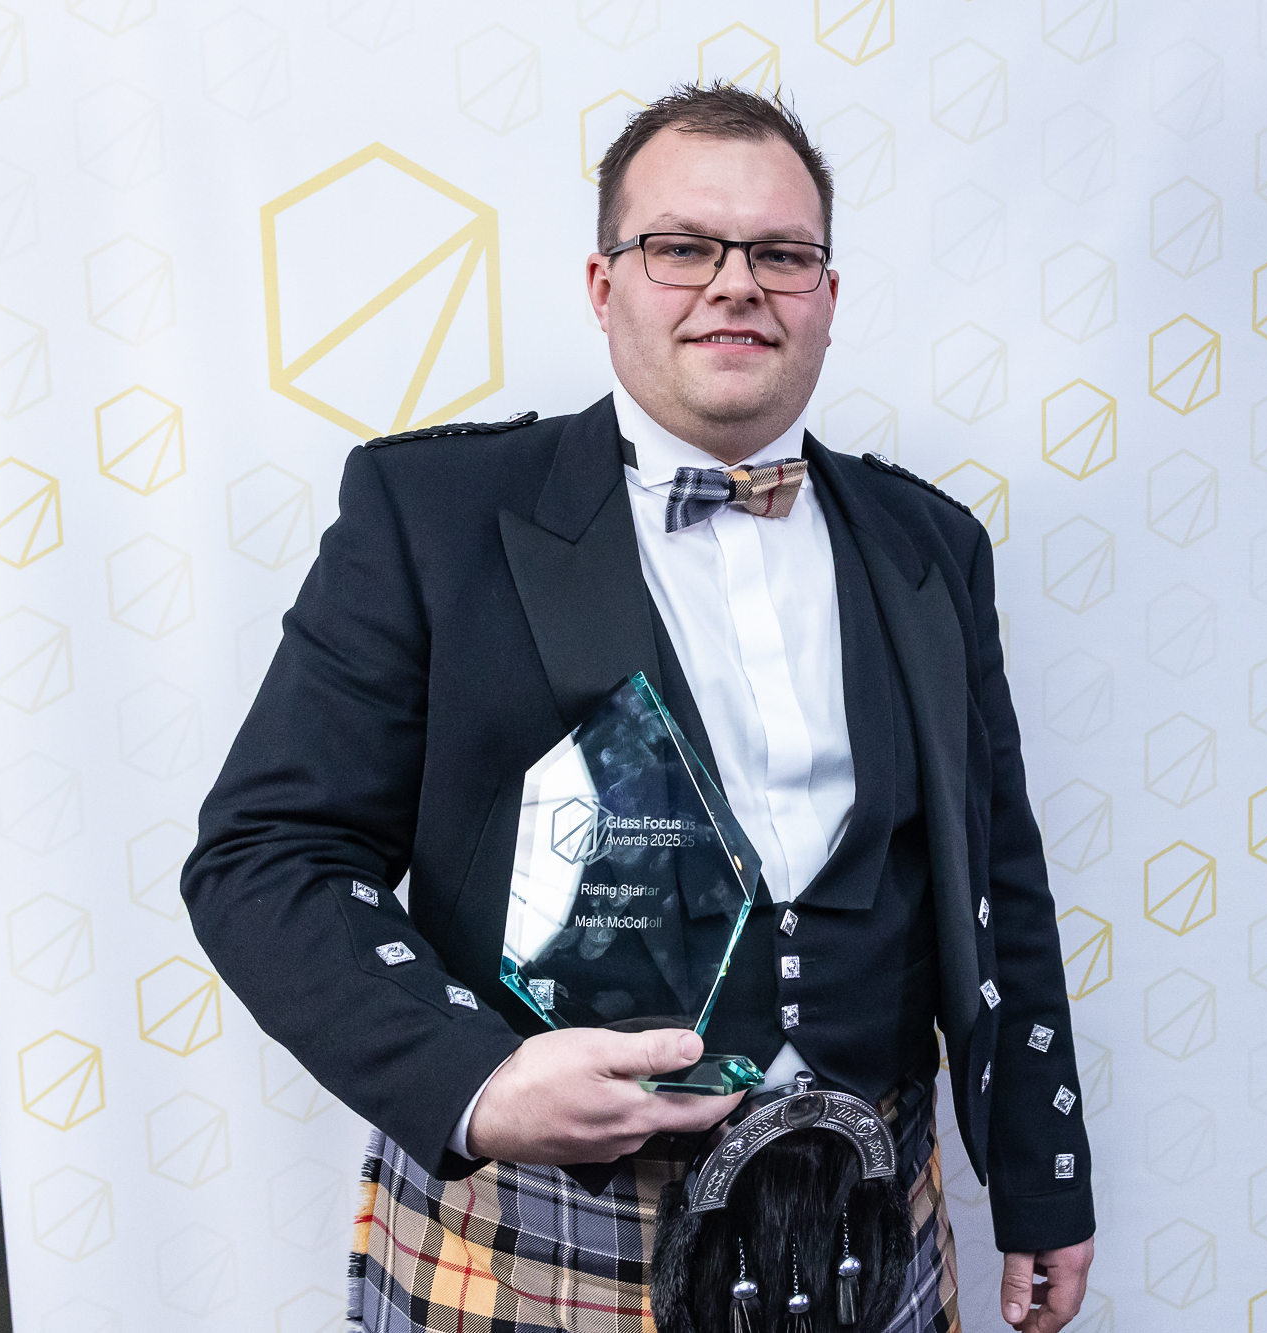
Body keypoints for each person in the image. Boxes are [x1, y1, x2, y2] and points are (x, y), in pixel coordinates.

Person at [183, 83, 1096, 1333]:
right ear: (602, 283)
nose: (736, 284)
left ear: (827, 295)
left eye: (779, 254)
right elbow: (266, 855)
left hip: (866, 1204)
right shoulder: (434, 518)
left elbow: (996, 876)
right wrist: (475, 1080)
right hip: (546, 1219)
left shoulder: (928, 543)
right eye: (682, 247)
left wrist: (1043, 1176)